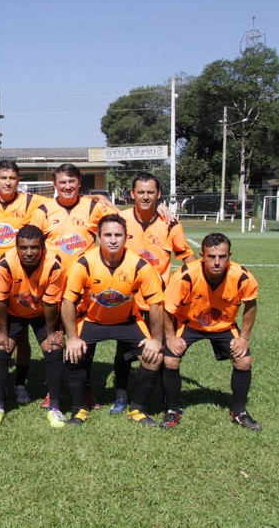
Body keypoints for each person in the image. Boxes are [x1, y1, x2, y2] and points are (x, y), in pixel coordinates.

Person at [61, 214, 164, 427]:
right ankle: (79, 408)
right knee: (72, 354)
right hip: (92, 320)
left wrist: (156, 339)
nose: (113, 239)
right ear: (99, 237)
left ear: (127, 237)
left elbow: (156, 304)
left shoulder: (140, 265)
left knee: (154, 357)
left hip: (126, 321)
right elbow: (67, 301)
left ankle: (137, 409)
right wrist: (71, 337)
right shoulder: (84, 263)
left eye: (118, 235)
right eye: (108, 235)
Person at [31, 163, 118, 410]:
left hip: (86, 287)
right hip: (54, 286)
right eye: (62, 182)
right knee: (56, 338)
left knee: (83, 340)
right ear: (54, 184)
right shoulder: (43, 211)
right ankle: (53, 391)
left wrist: (161, 207)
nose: (67, 186)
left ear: (80, 182)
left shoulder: (95, 206)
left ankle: (85, 389)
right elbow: (33, 246)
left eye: (72, 181)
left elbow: (122, 222)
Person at [110, 173, 196, 413]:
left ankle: (163, 396)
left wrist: (192, 281)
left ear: (158, 195)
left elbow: (187, 255)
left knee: (163, 347)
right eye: (141, 192)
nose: (145, 196)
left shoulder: (170, 223)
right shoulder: (121, 219)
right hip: (129, 298)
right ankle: (121, 395)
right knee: (124, 349)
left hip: (160, 300)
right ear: (132, 193)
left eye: (150, 192)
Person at [161, 233, 260, 431]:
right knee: (170, 360)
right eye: (211, 256)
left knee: (244, 361)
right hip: (189, 323)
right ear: (202, 256)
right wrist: (170, 338)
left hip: (224, 325)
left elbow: (251, 305)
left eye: (222, 257)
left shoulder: (242, 277)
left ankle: (239, 412)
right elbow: (167, 308)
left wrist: (244, 338)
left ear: (229, 255)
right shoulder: (185, 275)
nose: (217, 262)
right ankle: (172, 410)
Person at [0, 160, 50, 405]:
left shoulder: (30, 202)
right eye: (3, 177)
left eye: (12, 178)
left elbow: (62, 200)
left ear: (18, 180)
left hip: (20, 278)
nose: (8, 182)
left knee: (22, 336)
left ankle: (19, 384)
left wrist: (98, 200)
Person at [0, 225, 66, 428]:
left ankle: (55, 407)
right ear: (16, 247)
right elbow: (1, 300)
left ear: (43, 247)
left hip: (43, 313)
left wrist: (51, 333)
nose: (29, 253)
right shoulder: (5, 265)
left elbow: (51, 303)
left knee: (54, 348)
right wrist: (3, 332)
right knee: (2, 347)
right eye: (23, 248)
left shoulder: (54, 266)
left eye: (34, 247)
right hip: (14, 312)